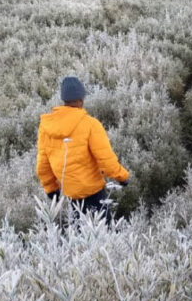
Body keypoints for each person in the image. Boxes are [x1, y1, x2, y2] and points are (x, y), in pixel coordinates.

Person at [36, 77, 130, 220]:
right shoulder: (90, 124)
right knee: (104, 231)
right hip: (94, 191)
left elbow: (43, 163)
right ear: (81, 99)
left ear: (64, 100)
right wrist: (122, 177)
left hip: (71, 193)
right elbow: (105, 159)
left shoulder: (46, 127)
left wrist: (51, 188)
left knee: (80, 233)